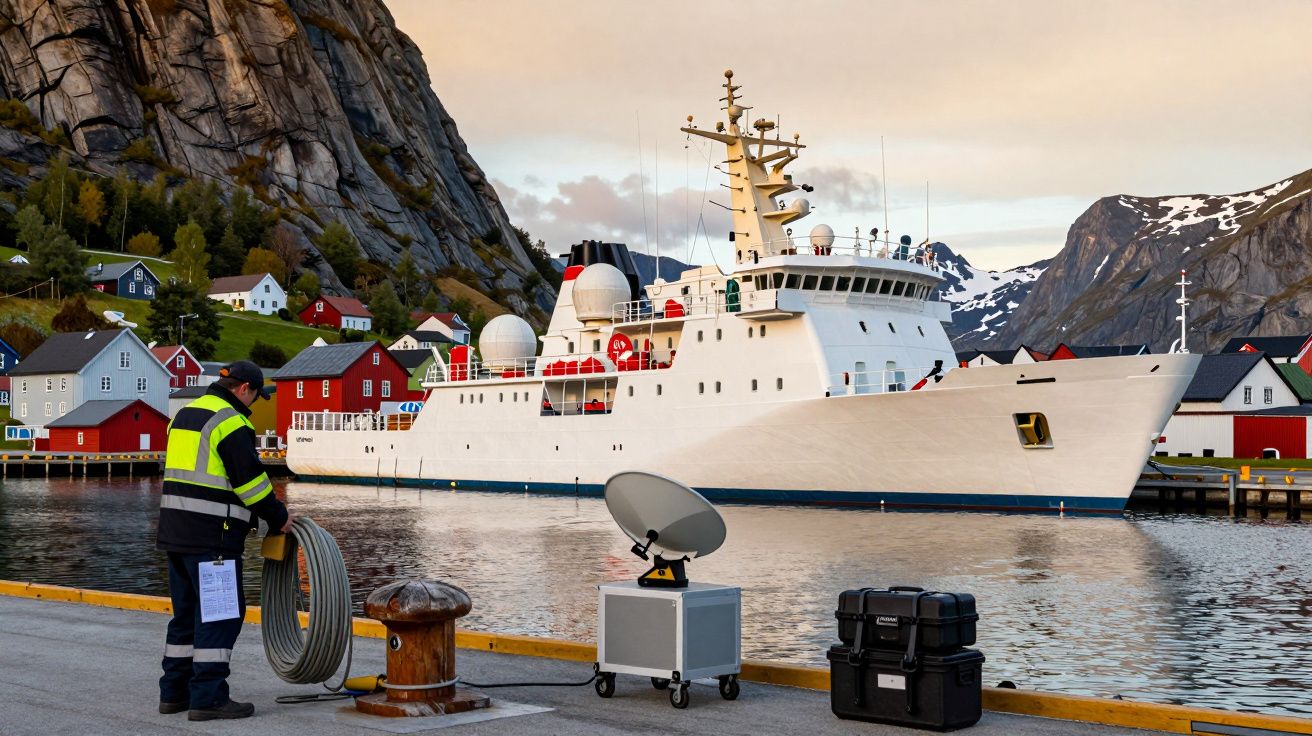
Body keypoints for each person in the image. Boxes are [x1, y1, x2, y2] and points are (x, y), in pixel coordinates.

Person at [156, 361, 294, 721]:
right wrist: (279, 517)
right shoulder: (231, 422)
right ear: (244, 388)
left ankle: (174, 693)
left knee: (185, 616)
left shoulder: (184, 415)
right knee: (220, 616)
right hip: (213, 538)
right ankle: (208, 698)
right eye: (256, 396)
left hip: (175, 534)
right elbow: (251, 484)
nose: (254, 404)